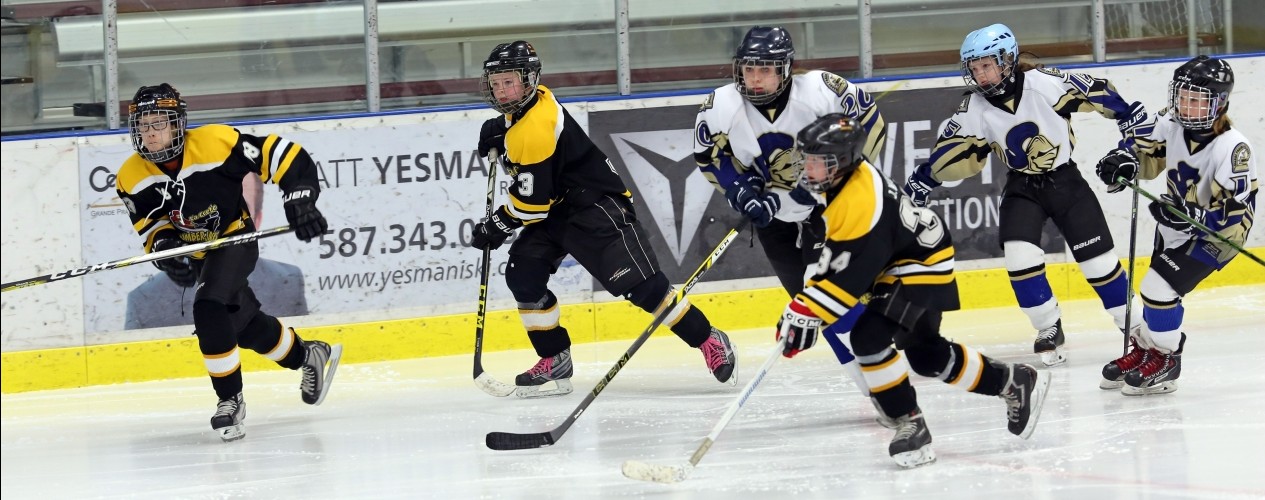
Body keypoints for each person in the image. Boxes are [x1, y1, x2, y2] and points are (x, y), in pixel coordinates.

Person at [779, 113, 1050, 467]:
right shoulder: (843, 183)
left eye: (818, 161)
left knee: (868, 338)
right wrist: (805, 308)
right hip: (906, 255)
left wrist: (808, 313)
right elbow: (838, 259)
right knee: (926, 355)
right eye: (808, 160)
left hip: (919, 263)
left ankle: (909, 422)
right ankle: (1011, 382)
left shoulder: (860, 201)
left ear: (842, 161)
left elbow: (851, 280)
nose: (808, 169)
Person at [472, 41, 737, 398]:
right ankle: (554, 360)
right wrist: (501, 129)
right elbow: (533, 180)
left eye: (510, 82)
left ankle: (708, 339)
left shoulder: (534, 128)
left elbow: (531, 205)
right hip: (557, 207)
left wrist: (497, 225)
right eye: (497, 83)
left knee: (644, 289)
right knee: (524, 274)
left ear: (530, 79)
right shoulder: (529, 106)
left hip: (594, 208)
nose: (502, 91)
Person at [902, 24, 1150, 367]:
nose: (980, 75)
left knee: (1100, 266)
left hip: (1066, 183)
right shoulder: (972, 108)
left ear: (1007, 60)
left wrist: (1128, 133)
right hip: (1022, 187)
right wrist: (922, 181)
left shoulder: (1044, 83)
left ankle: (1138, 330)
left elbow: (1108, 99)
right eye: (974, 68)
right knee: (1019, 260)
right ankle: (1048, 327)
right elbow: (950, 154)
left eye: (986, 65)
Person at [114, 83, 341, 441]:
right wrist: (167, 252)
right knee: (242, 325)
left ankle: (230, 400)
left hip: (235, 236)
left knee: (207, 307)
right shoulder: (131, 176)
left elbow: (282, 153)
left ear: (178, 125)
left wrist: (300, 200)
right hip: (201, 252)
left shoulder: (216, 143)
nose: (151, 133)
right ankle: (307, 354)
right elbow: (152, 227)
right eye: (143, 125)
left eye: (160, 123)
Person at [693, 25, 889, 413]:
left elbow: (869, 125)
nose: (754, 78)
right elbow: (710, 158)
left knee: (824, 299)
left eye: (764, 69)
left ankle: (886, 383)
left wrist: (825, 187)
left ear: (785, 70)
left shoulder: (819, 91)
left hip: (827, 210)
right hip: (776, 220)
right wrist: (743, 192)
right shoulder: (722, 105)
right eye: (748, 69)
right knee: (810, 308)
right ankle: (873, 388)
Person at [1094, 55, 1256, 395]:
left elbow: (1235, 209)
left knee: (1158, 290)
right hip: (1173, 223)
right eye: (1182, 95)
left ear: (1219, 103)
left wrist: (1197, 217)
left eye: (1196, 100)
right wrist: (1123, 160)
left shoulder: (1233, 146)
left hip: (1218, 234)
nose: (1186, 104)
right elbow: (1141, 146)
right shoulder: (1173, 122)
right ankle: (1148, 348)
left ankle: (1168, 358)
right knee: (1156, 293)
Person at [125, 174, 308, 330]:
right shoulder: (144, 301)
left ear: (256, 222)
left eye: (239, 214)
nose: (224, 221)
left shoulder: (287, 281)